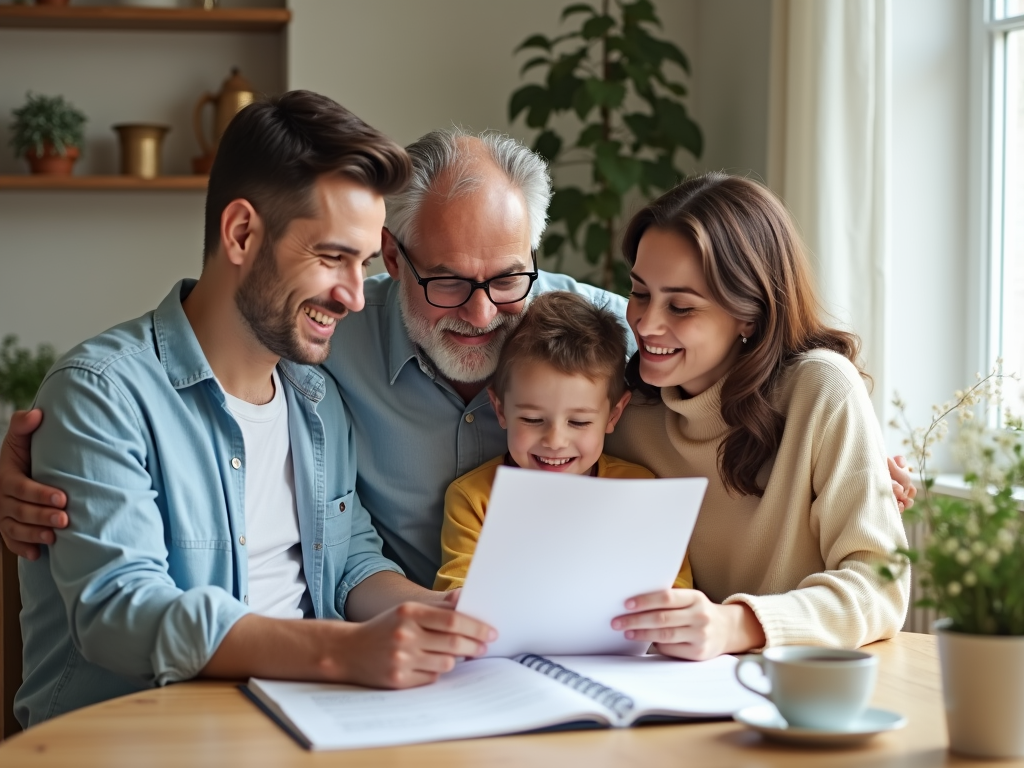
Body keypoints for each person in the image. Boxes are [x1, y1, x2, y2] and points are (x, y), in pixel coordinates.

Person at [0, 130, 916, 633]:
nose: (481, 312)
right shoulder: (325, 347)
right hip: (398, 662)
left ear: (537, 262)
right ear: (394, 258)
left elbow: (734, 357)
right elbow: (175, 377)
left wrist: (862, 448)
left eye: (507, 279)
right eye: (443, 283)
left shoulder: (612, 336)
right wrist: (34, 456)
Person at [13, 92, 494, 728]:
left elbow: (349, 560)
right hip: (131, 740)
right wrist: (345, 652)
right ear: (241, 233)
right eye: (331, 258)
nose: (355, 295)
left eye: (364, 264)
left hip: (303, 726)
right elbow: (119, 611)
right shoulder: (102, 394)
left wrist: (437, 612)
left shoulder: (318, 400)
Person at [605, 173, 911, 660]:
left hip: (793, 690)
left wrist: (737, 625)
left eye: (680, 306)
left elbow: (881, 586)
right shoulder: (626, 414)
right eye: (640, 292)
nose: (646, 323)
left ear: (748, 314)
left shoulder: (820, 389)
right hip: (663, 691)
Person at [433, 291, 691, 592]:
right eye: (532, 419)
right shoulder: (474, 499)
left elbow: (675, 590)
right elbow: (456, 595)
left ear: (613, 415)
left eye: (579, 422)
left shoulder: (641, 492)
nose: (555, 441)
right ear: (500, 409)